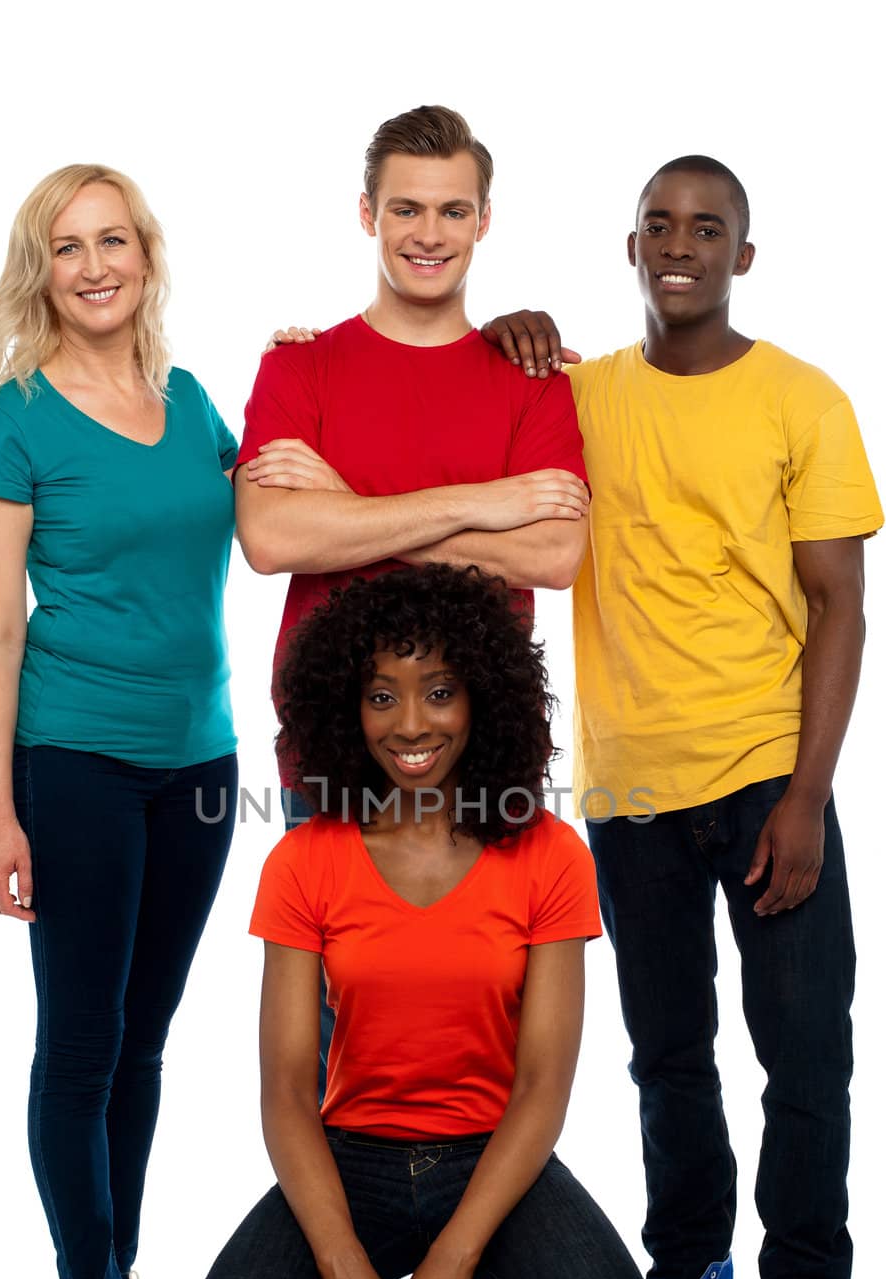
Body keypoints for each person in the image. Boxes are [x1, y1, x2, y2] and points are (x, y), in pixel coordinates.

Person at [482, 156, 883, 1279]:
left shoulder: (801, 399)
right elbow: (483, 390)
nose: (681, 244)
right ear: (631, 246)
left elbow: (840, 607)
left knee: (806, 1050)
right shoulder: (588, 395)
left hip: (766, 772)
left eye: (708, 229)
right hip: (630, 786)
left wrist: (808, 795)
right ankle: (693, 1266)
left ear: (742, 257)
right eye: (659, 224)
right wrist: (505, 335)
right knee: (668, 1051)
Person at [176, 563, 659, 1279]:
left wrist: (450, 1266)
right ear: (344, 710)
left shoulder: (547, 853)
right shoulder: (306, 859)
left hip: (492, 1154)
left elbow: (543, 1086)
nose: (412, 723)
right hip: (352, 1154)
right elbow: (284, 1086)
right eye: (382, 695)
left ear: (483, 697)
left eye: (440, 692)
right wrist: (348, 1274)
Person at [0, 164, 240, 1279]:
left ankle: (121, 1278)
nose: (92, 266)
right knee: (80, 1043)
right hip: (73, 760)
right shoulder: (10, 418)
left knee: (146, 1035)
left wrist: (309, 364)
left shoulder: (190, 403)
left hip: (201, 760)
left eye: (112, 240)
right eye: (66, 247)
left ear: (146, 254)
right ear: (42, 269)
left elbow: (276, 510)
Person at [234, 105, 589, 1080]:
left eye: (450, 210)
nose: (427, 232)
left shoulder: (534, 382)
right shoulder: (298, 365)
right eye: (405, 208)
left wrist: (351, 508)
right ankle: (336, 1238)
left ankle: (467, 1236)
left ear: (483, 221)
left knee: (484, 1062)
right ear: (367, 213)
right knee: (327, 1067)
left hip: (484, 756)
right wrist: (487, 505)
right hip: (334, 752)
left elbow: (556, 552)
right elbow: (270, 536)